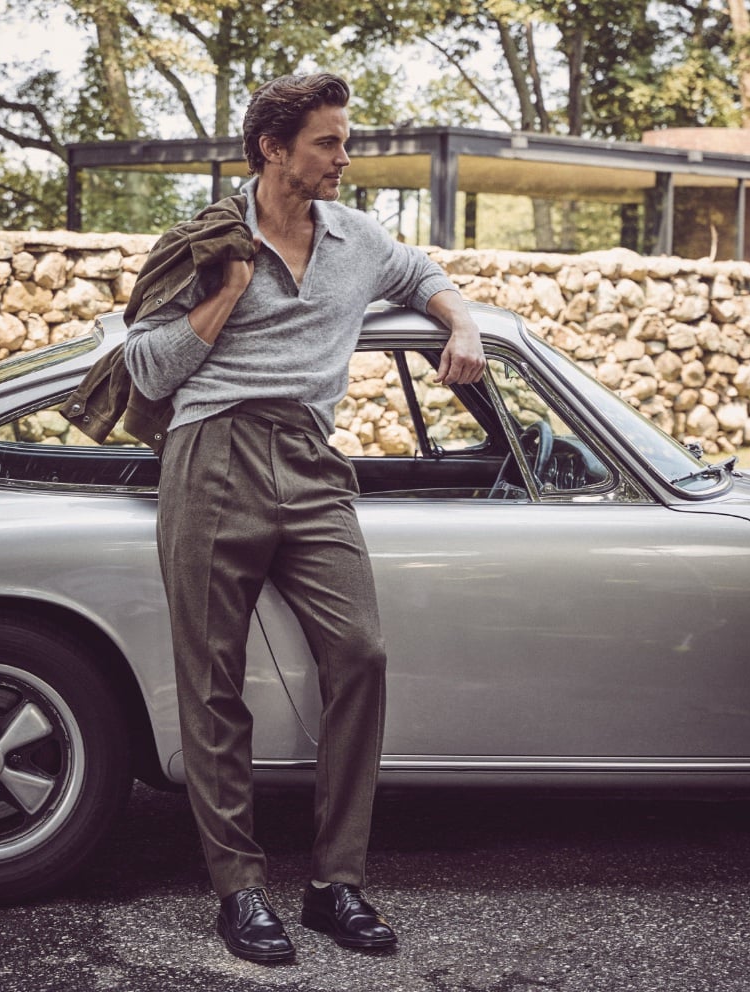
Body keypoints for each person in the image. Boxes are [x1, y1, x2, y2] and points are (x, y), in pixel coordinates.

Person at [123, 71, 484, 964]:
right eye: (328, 142)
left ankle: (336, 883)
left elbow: (423, 270)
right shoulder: (205, 239)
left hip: (313, 463)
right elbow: (146, 369)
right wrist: (222, 297)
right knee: (212, 681)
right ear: (272, 149)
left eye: (342, 140)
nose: (344, 157)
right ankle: (239, 892)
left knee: (361, 651)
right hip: (212, 456)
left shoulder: (357, 239)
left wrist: (460, 320)